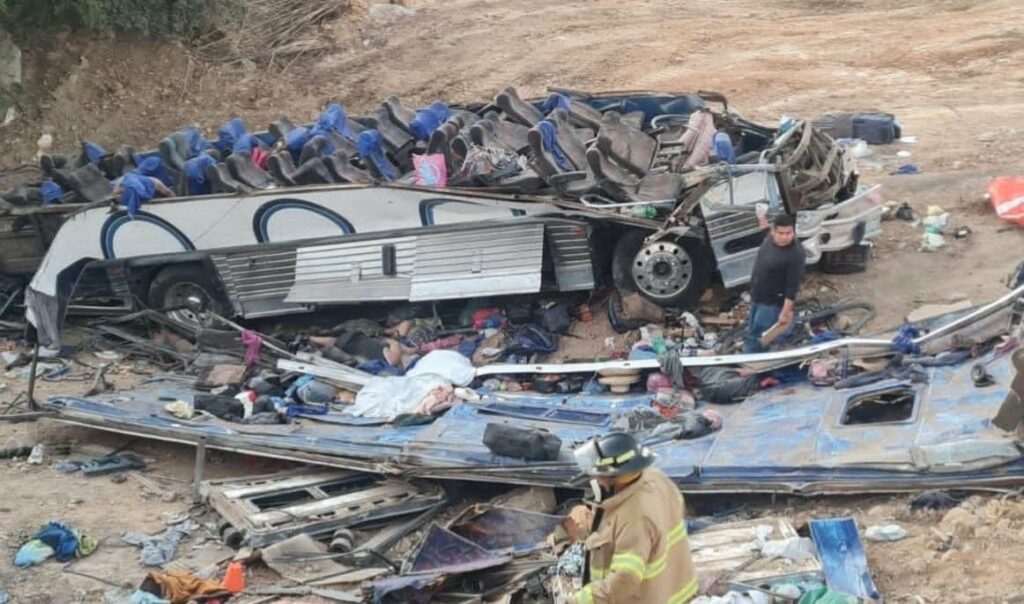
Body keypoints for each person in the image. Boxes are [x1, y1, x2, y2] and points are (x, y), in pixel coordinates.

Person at [568, 432, 698, 604]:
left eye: (600, 475)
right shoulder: (656, 479)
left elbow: (624, 581)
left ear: (616, 477)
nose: (597, 481)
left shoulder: (633, 517)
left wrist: (580, 600)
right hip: (676, 589)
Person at [745, 213, 805, 353]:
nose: (785, 237)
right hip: (757, 295)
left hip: (771, 303)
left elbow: (792, 286)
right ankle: (750, 357)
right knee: (752, 330)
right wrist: (763, 221)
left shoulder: (796, 254)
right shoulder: (769, 239)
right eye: (781, 233)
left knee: (760, 336)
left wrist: (785, 312)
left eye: (789, 233)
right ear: (773, 231)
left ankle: (754, 362)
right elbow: (765, 231)